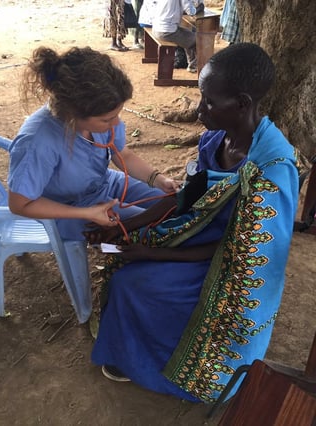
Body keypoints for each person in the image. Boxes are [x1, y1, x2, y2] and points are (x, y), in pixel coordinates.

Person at [87, 42, 299, 403]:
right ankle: (132, 350)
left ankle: (167, 367)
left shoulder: (271, 172)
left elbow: (240, 257)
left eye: (210, 103)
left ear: (244, 103)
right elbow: (188, 198)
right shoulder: (218, 139)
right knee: (124, 267)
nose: (201, 110)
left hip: (229, 269)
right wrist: (130, 228)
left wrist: (150, 255)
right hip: (198, 235)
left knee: (138, 283)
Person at [7, 46, 179, 320]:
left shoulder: (102, 119)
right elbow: (19, 203)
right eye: (107, 119)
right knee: (152, 232)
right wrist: (86, 214)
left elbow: (122, 154)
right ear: (74, 113)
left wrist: (158, 179)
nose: (116, 123)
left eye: (118, 114)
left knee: (174, 206)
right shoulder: (38, 141)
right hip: (65, 209)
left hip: (103, 184)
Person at [152, 0, 203, 73]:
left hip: (157, 28)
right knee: (200, 40)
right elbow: (191, 11)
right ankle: (194, 66)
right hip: (167, 31)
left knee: (188, 35)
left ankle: (192, 65)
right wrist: (200, 7)